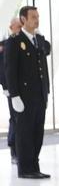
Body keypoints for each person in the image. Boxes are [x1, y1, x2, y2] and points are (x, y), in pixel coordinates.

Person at [5, 6, 52, 179]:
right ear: (23, 19)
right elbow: (10, 70)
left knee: (37, 132)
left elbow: (46, 54)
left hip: (40, 94)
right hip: (24, 96)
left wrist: (46, 91)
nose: (36, 20)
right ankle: (25, 169)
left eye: (38, 16)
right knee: (24, 133)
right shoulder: (15, 41)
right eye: (33, 17)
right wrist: (14, 95)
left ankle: (34, 166)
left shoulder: (38, 40)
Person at [2, 18, 19, 164]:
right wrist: (5, 86)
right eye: (17, 26)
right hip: (11, 88)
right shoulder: (5, 44)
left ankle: (21, 151)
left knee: (21, 120)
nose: (20, 28)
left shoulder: (23, 42)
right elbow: (3, 68)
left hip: (23, 89)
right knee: (14, 118)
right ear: (11, 27)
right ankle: (14, 150)